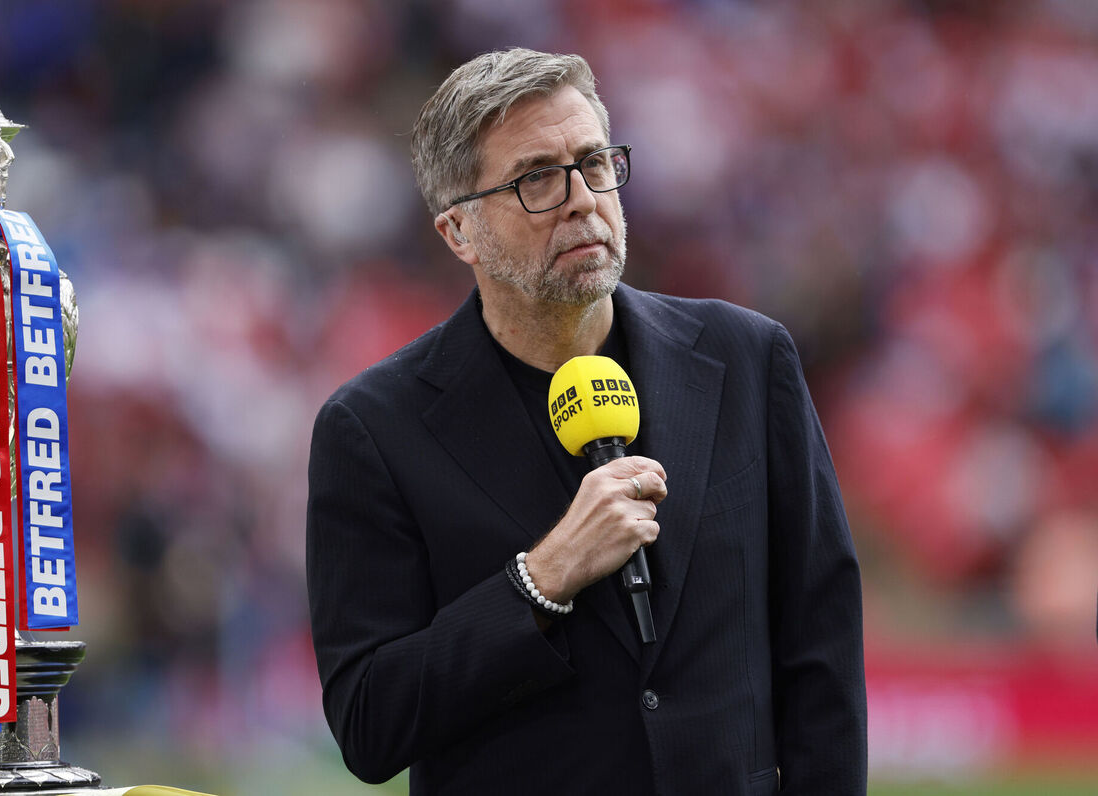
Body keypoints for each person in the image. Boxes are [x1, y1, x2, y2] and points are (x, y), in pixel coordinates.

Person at [306, 48, 866, 795]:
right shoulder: (374, 429)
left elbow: (820, 648)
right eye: (536, 177)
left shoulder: (747, 359)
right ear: (458, 233)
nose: (581, 199)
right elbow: (370, 723)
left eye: (594, 162)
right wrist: (540, 580)